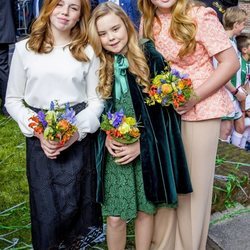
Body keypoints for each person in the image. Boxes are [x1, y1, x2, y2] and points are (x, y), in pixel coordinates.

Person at [88, 2, 192, 250]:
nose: (111, 38)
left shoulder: (150, 57)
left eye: (115, 29)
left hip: (146, 152)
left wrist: (142, 145)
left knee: (146, 211)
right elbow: (95, 108)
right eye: (102, 34)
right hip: (116, 154)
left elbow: (164, 116)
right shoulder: (98, 63)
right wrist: (106, 137)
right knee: (115, 217)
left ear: (127, 24)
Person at [138, 0, 239, 249]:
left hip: (202, 109)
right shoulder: (147, 20)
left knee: (192, 188)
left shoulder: (200, 16)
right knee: (168, 180)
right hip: (165, 112)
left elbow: (231, 63)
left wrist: (195, 96)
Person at [5, 0, 104, 249]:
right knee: (46, 211)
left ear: (80, 15)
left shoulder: (88, 51)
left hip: (78, 138)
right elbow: (13, 100)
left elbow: (96, 101)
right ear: (48, 7)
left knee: (77, 207)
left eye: (73, 8)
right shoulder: (24, 49)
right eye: (60, 4)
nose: (65, 12)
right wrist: (39, 132)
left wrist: (76, 133)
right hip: (41, 142)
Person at [220, 7, 248, 147]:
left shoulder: (232, 41)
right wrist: (236, 92)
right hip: (226, 94)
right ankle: (218, 166)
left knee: (229, 130)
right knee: (224, 131)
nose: (244, 27)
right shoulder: (223, 41)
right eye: (243, 23)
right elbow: (219, 73)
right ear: (236, 24)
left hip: (233, 95)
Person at [0, 0, 16, 115]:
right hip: (5, 28)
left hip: (4, 28)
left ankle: (6, 106)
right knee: (3, 68)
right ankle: (6, 106)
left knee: (2, 68)